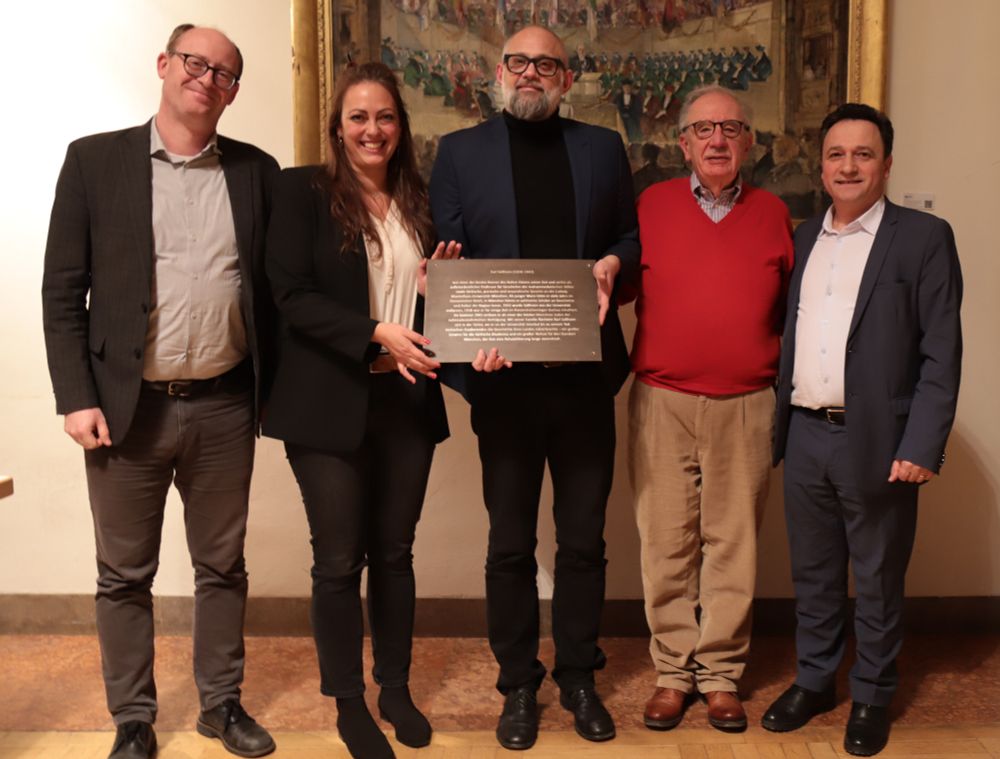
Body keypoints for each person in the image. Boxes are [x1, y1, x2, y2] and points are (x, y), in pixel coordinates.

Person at [41, 24, 277, 759]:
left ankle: (220, 704)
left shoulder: (256, 170)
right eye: (194, 63)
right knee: (123, 574)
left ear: (234, 92)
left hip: (225, 404)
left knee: (222, 566)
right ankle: (134, 719)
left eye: (224, 73)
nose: (206, 78)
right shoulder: (93, 161)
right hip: (124, 408)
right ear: (164, 65)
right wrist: (75, 395)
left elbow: (278, 288)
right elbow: (61, 292)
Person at [429, 25, 639, 752]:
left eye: (546, 63)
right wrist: (464, 333)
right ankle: (518, 681)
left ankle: (578, 675)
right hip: (504, 387)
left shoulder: (602, 148)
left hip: (585, 381)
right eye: (519, 61)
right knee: (510, 543)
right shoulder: (459, 153)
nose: (530, 72)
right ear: (499, 71)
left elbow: (630, 241)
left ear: (566, 75)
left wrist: (613, 263)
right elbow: (447, 259)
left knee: (584, 540)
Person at [263, 62, 455, 759]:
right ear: (338, 127)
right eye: (359, 117)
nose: (372, 129)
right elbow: (288, 294)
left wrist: (443, 288)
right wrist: (374, 332)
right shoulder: (301, 192)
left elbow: (430, 308)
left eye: (385, 117)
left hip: (406, 398)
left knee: (396, 553)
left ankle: (395, 687)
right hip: (326, 402)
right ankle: (347, 700)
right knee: (339, 559)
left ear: (400, 128)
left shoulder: (421, 200)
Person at [762, 103, 962, 757]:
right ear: (820, 166)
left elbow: (941, 351)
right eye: (836, 154)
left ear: (887, 163)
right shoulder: (800, 238)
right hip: (805, 433)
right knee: (814, 574)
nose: (848, 166)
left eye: (863, 153)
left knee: (877, 578)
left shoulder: (923, 237)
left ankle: (873, 691)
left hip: (880, 442)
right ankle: (817, 679)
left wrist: (921, 443)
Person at [625, 85, 793, 732]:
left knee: (734, 545)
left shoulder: (775, 212)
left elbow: (790, 310)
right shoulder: (652, 205)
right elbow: (618, 289)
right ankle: (673, 671)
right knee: (665, 541)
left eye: (731, 128)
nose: (717, 140)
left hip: (748, 403)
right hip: (662, 400)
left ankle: (720, 674)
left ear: (750, 141)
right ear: (684, 143)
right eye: (704, 130)